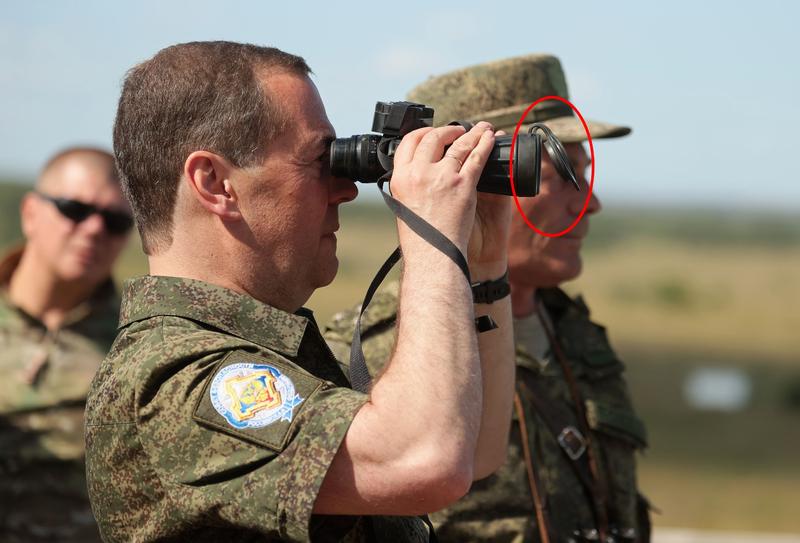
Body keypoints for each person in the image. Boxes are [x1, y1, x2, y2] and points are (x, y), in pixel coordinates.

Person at [84, 41, 516, 542]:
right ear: (215, 183)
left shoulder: (270, 356)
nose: (346, 189)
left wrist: (481, 261)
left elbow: (476, 451)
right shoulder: (174, 378)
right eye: (318, 161)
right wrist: (433, 237)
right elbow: (422, 460)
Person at [325, 54, 651, 543]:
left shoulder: (576, 334)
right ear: (481, 174)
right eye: (561, 171)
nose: (590, 201)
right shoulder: (376, 356)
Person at [0, 147, 133, 542]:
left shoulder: (142, 339)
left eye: (115, 221)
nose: (93, 229)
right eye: (74, 209)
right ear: (30, 213)